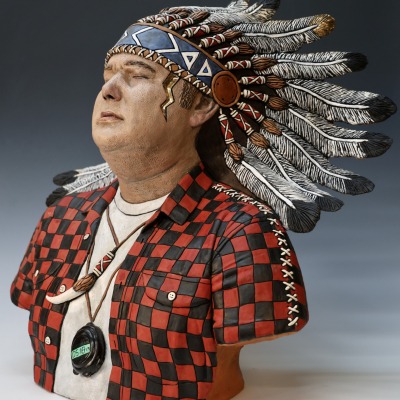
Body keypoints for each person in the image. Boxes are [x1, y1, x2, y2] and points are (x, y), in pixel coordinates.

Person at [10, 1, 395, 400]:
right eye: (107, 77)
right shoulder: (61, 219)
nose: (108, 91)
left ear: (201, 105)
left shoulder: (240, 232)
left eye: (137, 76)